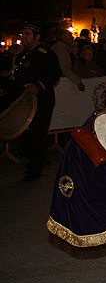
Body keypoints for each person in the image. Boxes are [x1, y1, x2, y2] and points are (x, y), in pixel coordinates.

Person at [11, 21, 61, 181]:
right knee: (23, 135)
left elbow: (54, 75)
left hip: (41, 100)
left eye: (27, 34)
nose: (23, 37)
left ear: (37, 37)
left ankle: (34, 170)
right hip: (23, 102)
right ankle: (38, 160)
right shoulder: (20, 56)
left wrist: (38, 86)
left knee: (36, 134)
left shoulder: (45, 54)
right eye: (22, 34)